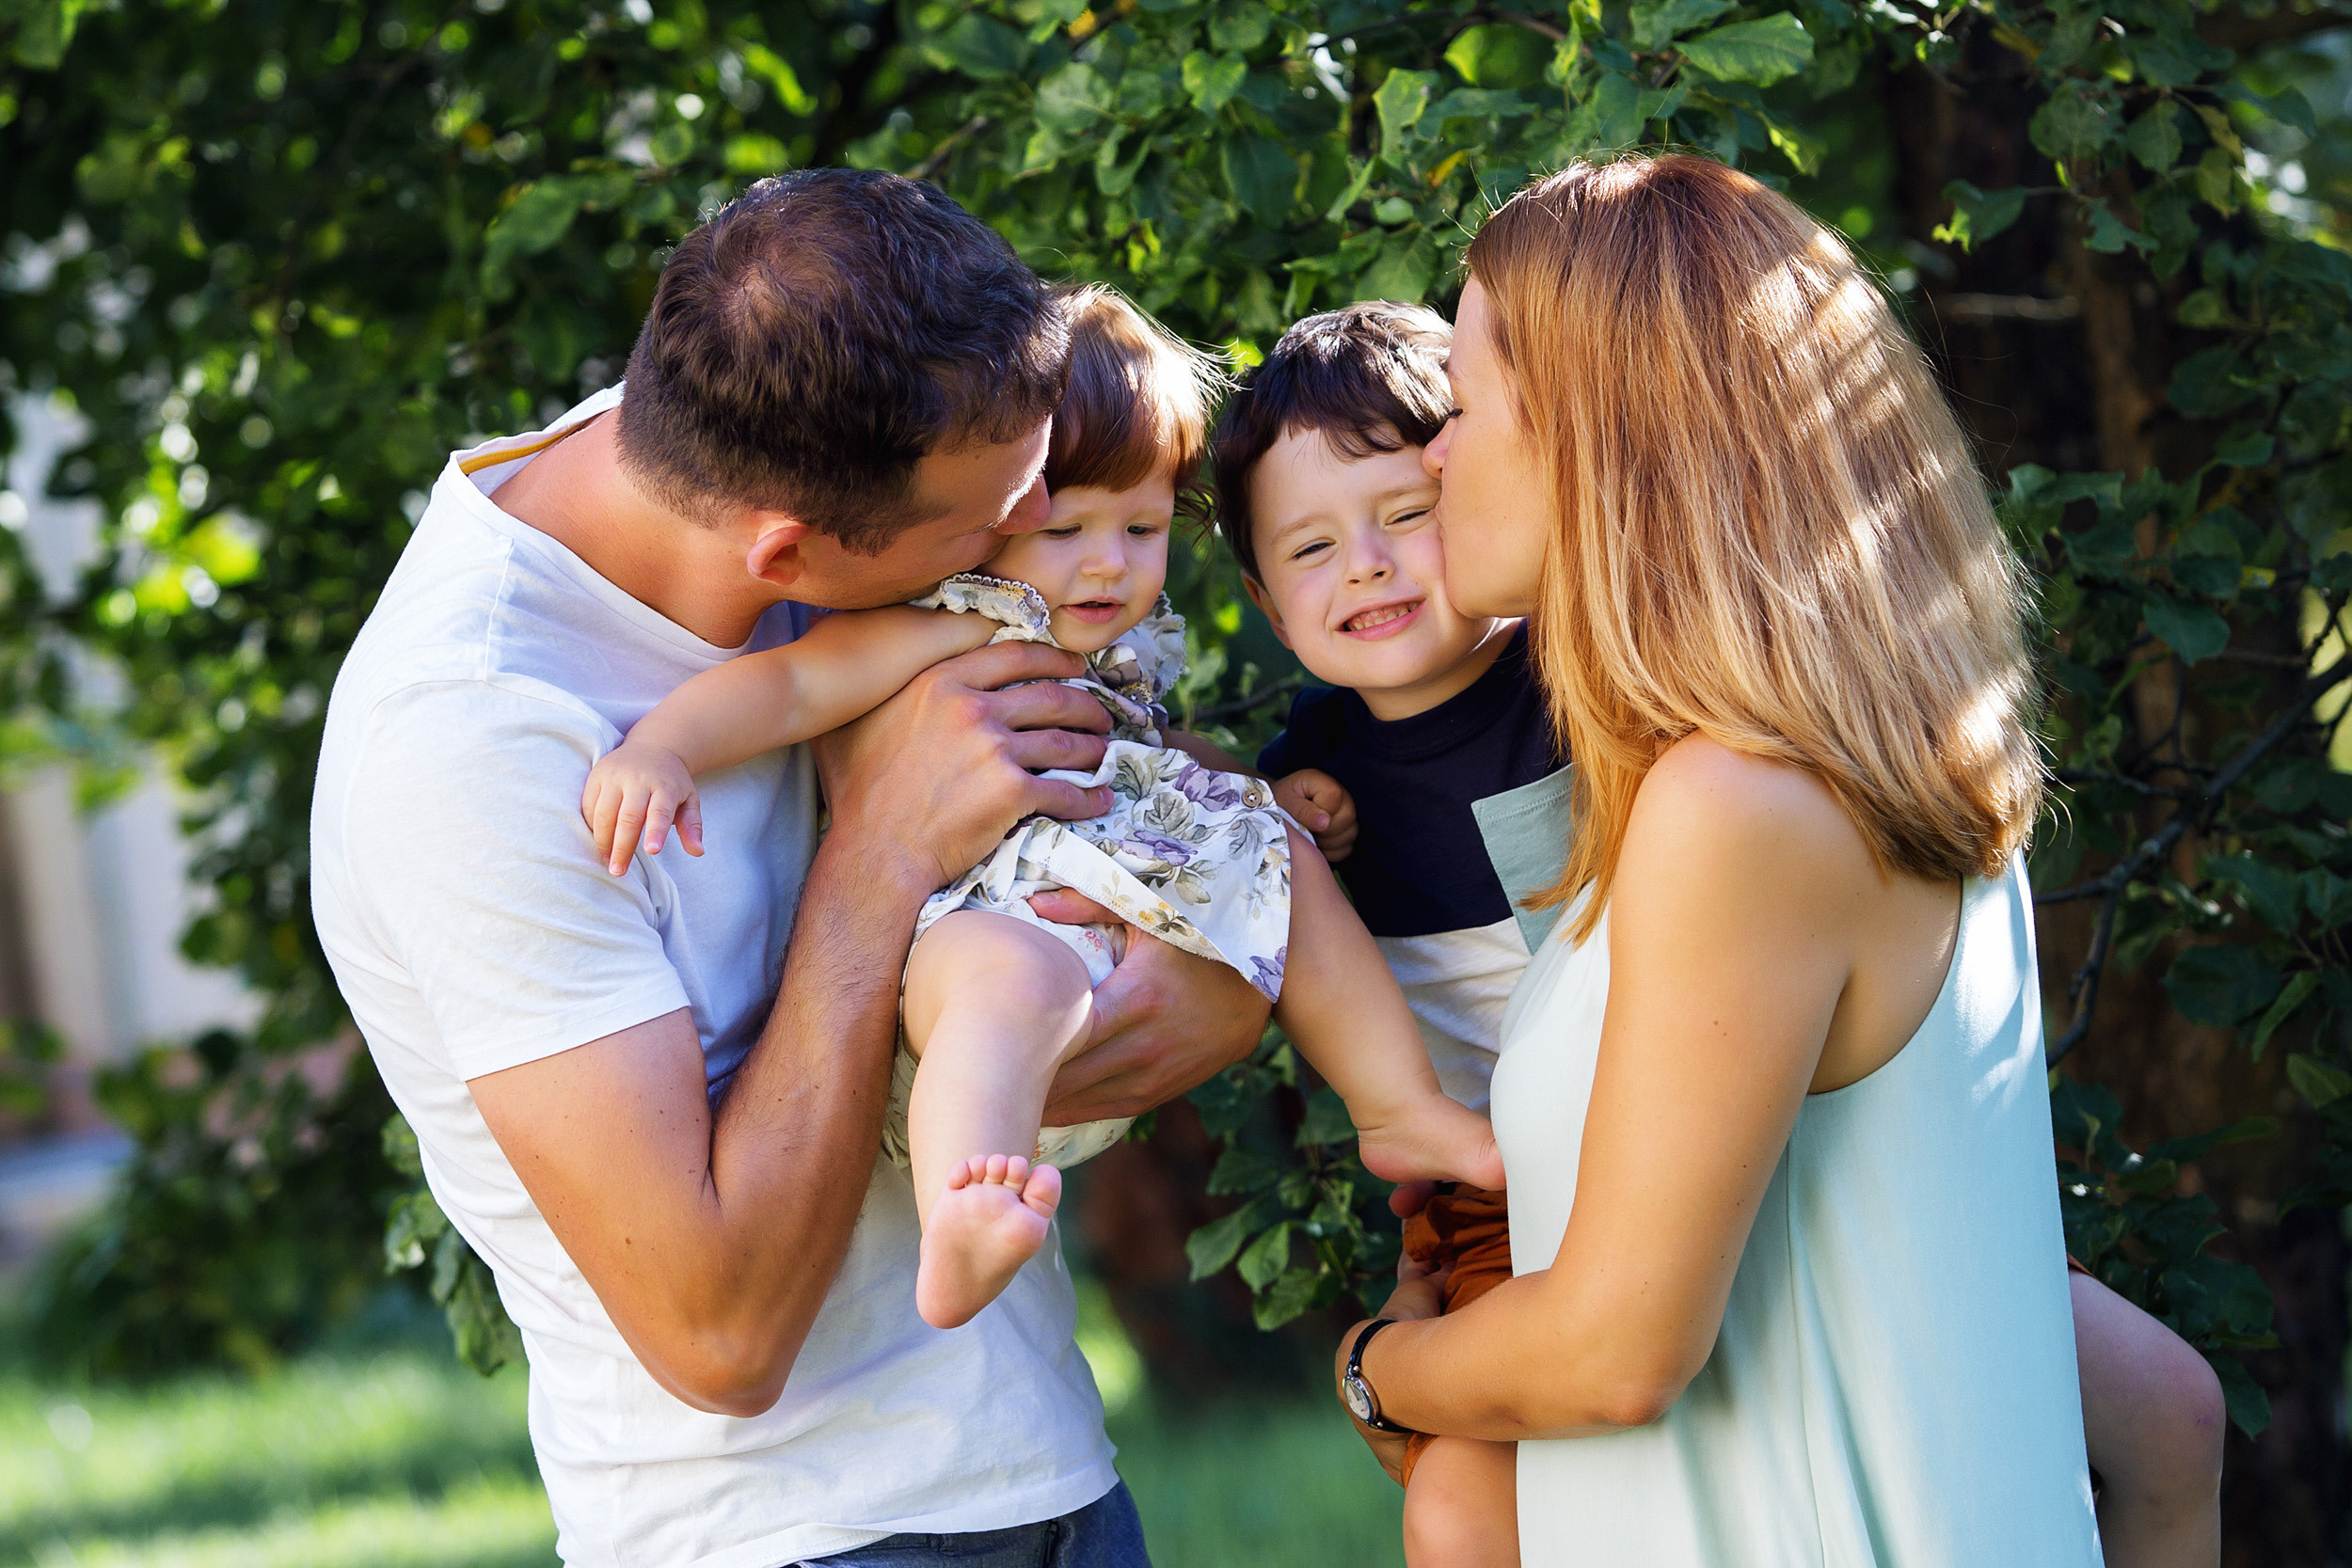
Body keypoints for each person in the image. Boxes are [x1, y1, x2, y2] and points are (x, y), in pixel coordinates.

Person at [311, 171, 1273, 1568]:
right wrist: (881, 852)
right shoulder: (476, 741)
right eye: (994, 527)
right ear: (792, 555)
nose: (1028, 561)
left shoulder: (784, 435)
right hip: (796, 1535)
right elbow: (718, 1331)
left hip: (1046, 1473)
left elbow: (1179, 960)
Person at [1285, 157, 2215, 1566]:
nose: (1430, 458)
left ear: (1602, 439)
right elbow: (2152, 1399)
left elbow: (1614, 1351)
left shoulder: (1742, 803)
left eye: (1464, 410)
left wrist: (1377, 1364)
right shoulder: (1846, 768)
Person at [581, 284, 1501, 1333]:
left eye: (1143, 525)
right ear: (998, 512)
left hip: (1120, 917)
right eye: (1067, 526)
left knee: (1283, 854)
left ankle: (1398, 1107)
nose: (1108, 561)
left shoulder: (1107, 643)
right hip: (978, 919)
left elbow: (1138, 755)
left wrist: (1252, 798)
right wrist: (663, 747)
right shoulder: (958, 621)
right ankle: (964, 1203)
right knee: (1009, 983)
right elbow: (789, 686)